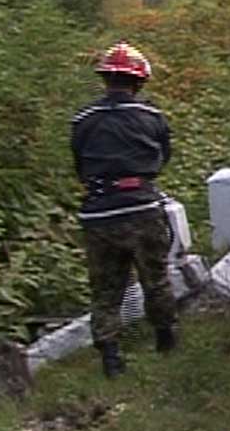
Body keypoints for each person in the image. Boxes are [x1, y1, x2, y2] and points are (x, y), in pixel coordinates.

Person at [71, 41, 178, 377]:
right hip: (143, 207)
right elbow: (163, 158)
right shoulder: (153, 117)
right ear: (139, 82)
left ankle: (112, 357)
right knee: (156, 279)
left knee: (105, 290)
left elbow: (78, 165)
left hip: (99, 213)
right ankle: (165, 339)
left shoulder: (83, 120)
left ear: (105, 80)